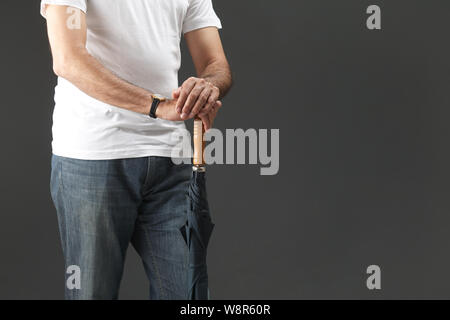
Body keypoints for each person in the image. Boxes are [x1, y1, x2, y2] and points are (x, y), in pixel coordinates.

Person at [40, 0, 232, 300]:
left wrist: (207, 87)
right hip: (93, 158)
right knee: (90, 293)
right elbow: (67, 59)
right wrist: (157, 106)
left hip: (170, 160)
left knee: (190, 296)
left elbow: (215, 63)